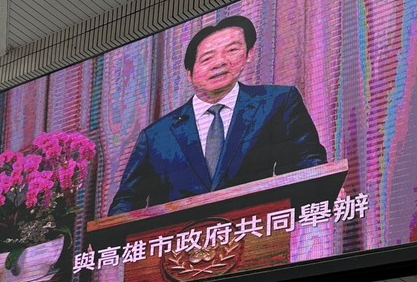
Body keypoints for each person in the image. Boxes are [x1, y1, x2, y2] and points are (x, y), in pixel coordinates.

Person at [108, 15, 327, 215]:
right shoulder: (156, 135)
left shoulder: (277, 103)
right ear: (190, 74)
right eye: (207, 58)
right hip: (178, 248)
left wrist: (323, 191)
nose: (219, 63)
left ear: (249, 54)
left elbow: (308, 162)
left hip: (258, 234)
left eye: (231, 50)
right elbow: (127, 200)